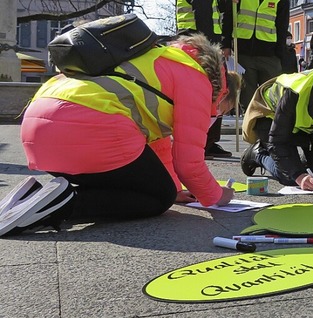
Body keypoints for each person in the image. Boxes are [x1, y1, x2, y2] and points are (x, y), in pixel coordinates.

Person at [0, 33, 241, 237]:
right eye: (222, 109)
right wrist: (217, 196)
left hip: (38, 130)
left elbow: (156, 144)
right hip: (87, 126)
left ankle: (32, 196)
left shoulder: (156, 58)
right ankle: (61, 205)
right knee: (158, 198)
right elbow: (188, 162)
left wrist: (176, 188)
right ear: (223, 92)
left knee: (160, 188)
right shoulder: (196, 78)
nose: (217, 115)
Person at [176, 0, 233, 158]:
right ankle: (202, 142)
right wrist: (208, 48)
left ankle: (209, 141)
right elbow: (203, 13)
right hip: (198, 44)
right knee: (210, 92)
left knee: (218, 92)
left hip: (203, 42)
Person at [221, 0, 290, 115]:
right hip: (244, 52)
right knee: (247, 96)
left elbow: (282, 25)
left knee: (271, 94)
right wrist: (226, 44)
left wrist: (280, 54)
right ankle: (250, 123)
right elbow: (228, 17)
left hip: (269, 54)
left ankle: (268, 123)